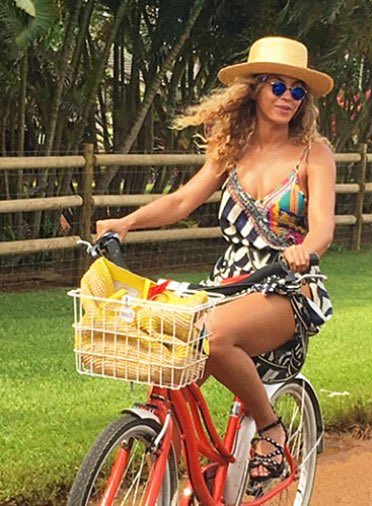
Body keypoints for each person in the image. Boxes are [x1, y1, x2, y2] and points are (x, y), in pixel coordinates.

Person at [95, 36, 336, 487]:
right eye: (277, 87)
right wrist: (126, 223)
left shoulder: (313, 153)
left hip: (286, 284)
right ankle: (175, 451)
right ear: (255, 90)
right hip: (228, 284)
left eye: (296, 90)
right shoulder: (233, 149)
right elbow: (183, 200)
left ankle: (270, 428)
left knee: (213, 336)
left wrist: (307, 250)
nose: (287, 97)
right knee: (171, 358)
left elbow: (323, 224)